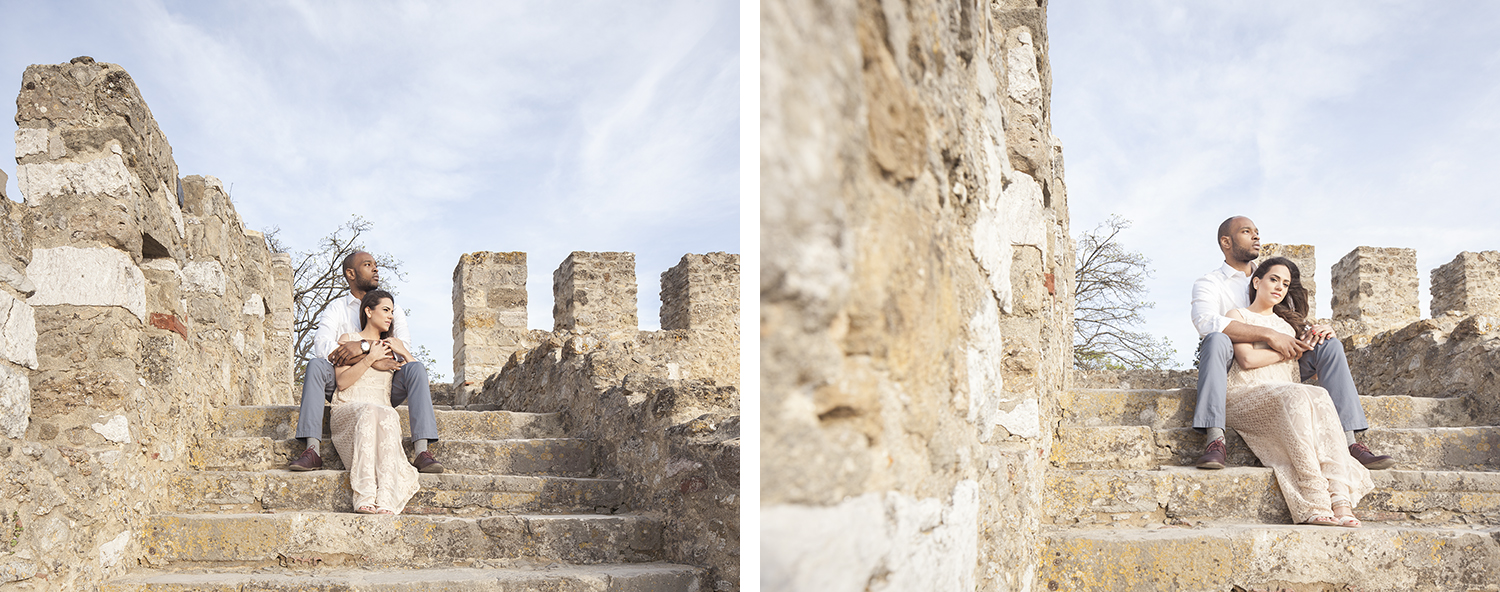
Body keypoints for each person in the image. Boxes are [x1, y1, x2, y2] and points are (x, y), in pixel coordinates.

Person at [1190, 216, 1394, 471]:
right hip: (1232, 360)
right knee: (1216, 339)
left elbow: (1288, 323)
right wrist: (1267, 335)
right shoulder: (1210, 283)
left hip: (1278, 358)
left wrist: (1317, 331)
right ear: (1226, 242)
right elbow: (1205, 321)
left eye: (1257, 232)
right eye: (1246, 232)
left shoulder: (1271, 276)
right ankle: (1215, 439)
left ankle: (1350, 441)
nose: (1256, 237)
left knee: (1328, 346)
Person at [1222, 257, 1373, 526]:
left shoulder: (1291, 326)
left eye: (1286, 283)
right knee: (1297, 394)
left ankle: (1340, 501)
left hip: (1285, 391)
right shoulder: (1239, 316)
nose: (1279, 287)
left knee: (1319, 395)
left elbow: (1311, 358)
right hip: (1245, 392)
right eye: (1273, 279)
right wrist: (1286, 350)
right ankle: (1314, 501)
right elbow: (1247, 360)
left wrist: (1326, 332)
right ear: (1257, 282)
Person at [287, 251, 444, 474]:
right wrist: (368, 356)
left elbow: (400, 348)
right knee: (315, 365)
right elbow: (323, 345)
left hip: (385, 384)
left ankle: (421, 451)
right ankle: (312, 450)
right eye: (368, 264)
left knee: (415, 368)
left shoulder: (393, 309)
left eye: (376, 264)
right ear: (351, 273)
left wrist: (362, 347)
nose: (376, 269)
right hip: (345, 380)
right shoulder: (337, 308)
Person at [330, 289, 421, 514]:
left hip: (380, 411)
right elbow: (342, 383)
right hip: (348, 409)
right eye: (386, 310)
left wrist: (403, 351)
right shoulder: (348, 340)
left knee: (389, 413)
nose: (391, 316)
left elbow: (417, 374)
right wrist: (371, 358)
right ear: (368, 311)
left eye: (392, 311)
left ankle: (385, 497)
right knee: (370, 410)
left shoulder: (392, 349)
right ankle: (365, 494)